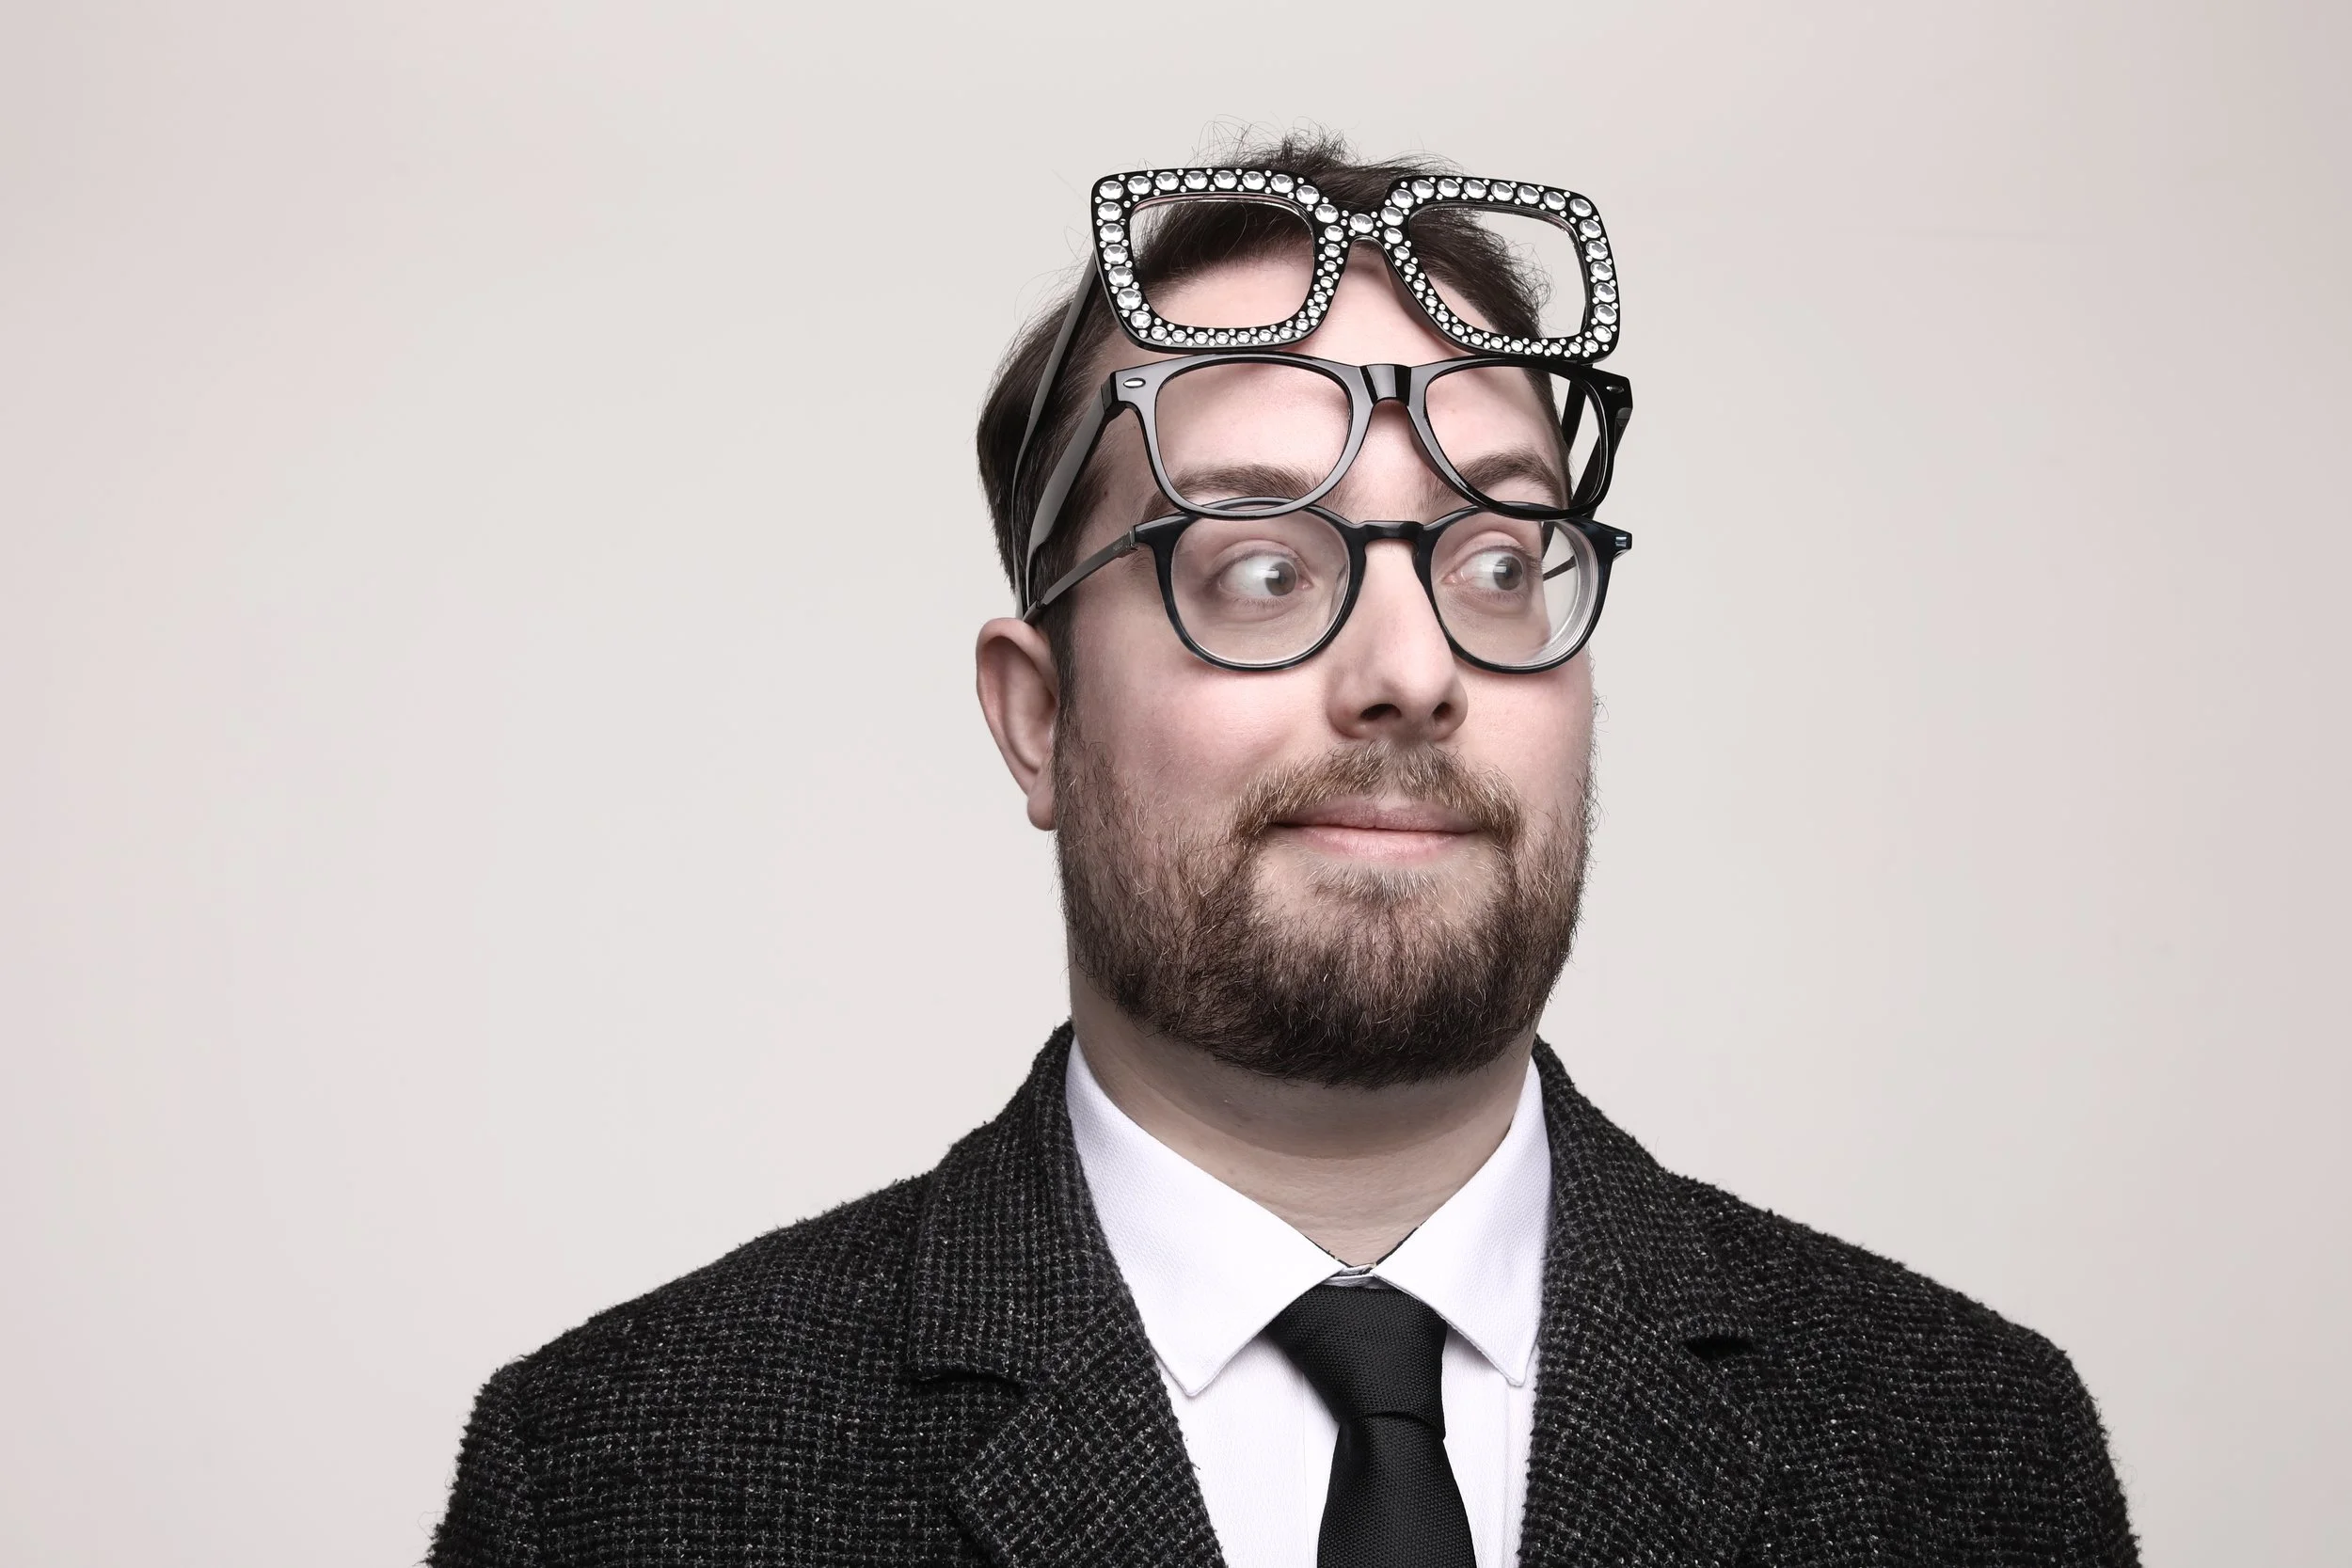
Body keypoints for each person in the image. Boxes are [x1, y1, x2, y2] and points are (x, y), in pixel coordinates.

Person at [430, 132, 2137, 1567]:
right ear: (1039, 718)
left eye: (1494, 562)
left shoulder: (1973, 1456)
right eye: (1255, 564)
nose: (1409, 671)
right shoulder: (617, 1485)